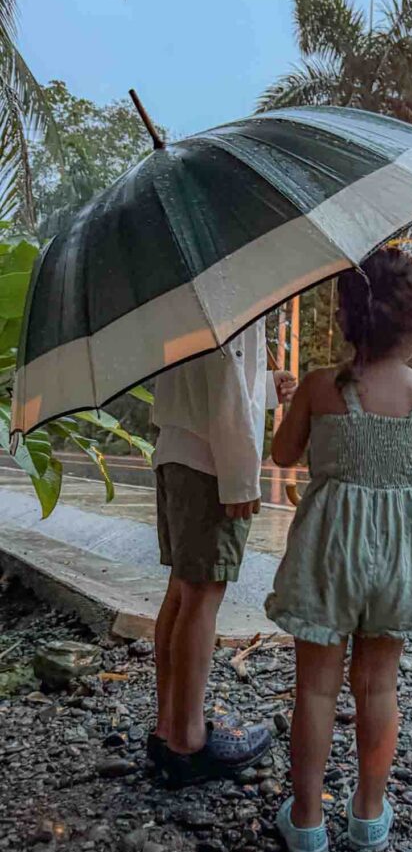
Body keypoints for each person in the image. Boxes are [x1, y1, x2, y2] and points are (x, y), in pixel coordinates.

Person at [265, 248, 412, 852]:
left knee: (315, 690)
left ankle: (308, 820)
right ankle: (369, 814)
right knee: (378, 688)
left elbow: (286, 456)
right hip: (398, 554)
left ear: (346, 320)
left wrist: (287, 408)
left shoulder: (320, 386)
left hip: (328, 551)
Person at [148, 321, 296, 786]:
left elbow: (210, 382)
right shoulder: (232, 296)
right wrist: (240, 478)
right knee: (202, 596)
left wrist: (266, 389)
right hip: (210, 462)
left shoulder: (182, 295)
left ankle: (168, 724)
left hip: (176, 450)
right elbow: (227, 377)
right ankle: (188, 740)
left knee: (180, 591)